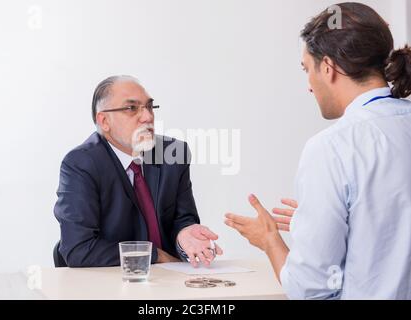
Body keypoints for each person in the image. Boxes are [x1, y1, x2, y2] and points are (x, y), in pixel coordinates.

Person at [225, 2, 411, 299]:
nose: (309, 85)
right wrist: (341, 218)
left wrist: (270, 240)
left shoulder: (332, 147)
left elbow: (311, 289)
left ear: (328, 67)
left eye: (306, 69)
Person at [54, 75, 222, 268]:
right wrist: (154, 255)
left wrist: (184, 234)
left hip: (167, 281)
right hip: (107, 282)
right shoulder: (81, 164)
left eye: (149, 107)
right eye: (131, 108)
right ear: (104, 121)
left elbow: (182, 219)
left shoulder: (174, 154)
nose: (148, 117)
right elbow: (79, 249)